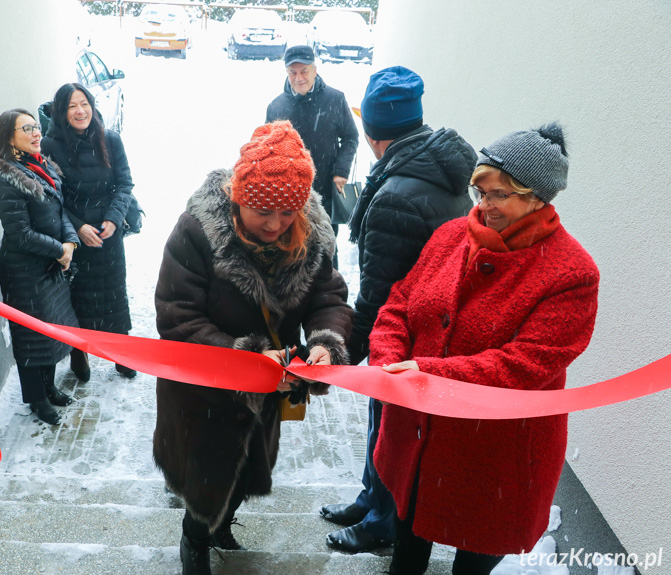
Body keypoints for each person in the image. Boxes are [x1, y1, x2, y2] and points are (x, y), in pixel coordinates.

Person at [369, 123, 599, 575]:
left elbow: (526, 364)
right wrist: (387, 359)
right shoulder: (451, 236)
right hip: (418, 435)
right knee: (407, 543)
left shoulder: (572, 271)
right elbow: (399, 303)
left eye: (499, 195)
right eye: (480, 192)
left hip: (495, 453)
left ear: (538, 197)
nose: (485, 206)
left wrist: (428, 375)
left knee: (473, 559)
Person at [153, 121, 353, 575]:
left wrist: (325, 343)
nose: (275, 224)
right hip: (203, 389)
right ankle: (195, 541)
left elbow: (329, 300)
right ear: (238, 196)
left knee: (242, 470)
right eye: (263, 211)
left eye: (287, 214)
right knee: (203, 477)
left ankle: (223, 521)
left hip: (265, 388)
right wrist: (243, 355)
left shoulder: (314, 239)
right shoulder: (197, 232)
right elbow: (176, 313)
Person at [320, 66, 476, 554]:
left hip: (405, 333)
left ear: (371, 133)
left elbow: (380, 293)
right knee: (388, 425)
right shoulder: (438, 169)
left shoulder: (396, 195)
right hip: (435, 324)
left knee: (391, 427)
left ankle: (383, 522)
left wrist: (343, 353)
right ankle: (373, 499)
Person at [0, 108, 80, 425]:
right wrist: (59, 251)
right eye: (28, 128)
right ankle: (36, 400)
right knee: (31, 340)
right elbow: (20, 234)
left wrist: (70, 243)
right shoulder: (4, 177)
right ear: (9, 137)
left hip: (50, 263)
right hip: (24, 271)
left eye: (36, 126)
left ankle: (48, 387)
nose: (37, 133)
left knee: (50, 333)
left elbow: (59, 210)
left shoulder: (38, 167)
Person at [40, 83, 136, 381]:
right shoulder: (49, 146)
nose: (80, 111)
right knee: (78, 296)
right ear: (60, 112)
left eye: (84, 104)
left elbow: (124, 184)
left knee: (114, 295)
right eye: (71, 106)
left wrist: (114, 218)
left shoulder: (111, 139)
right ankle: (78, 353)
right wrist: (77, 227)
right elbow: (52, 196)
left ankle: (121, 354)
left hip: (108, 234)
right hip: (73, 235)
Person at [265, 44, 358, 268]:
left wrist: (340, 172)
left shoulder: (335, 100)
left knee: (326, 250)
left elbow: (351, 137)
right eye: (292, 72)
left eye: (304, 71)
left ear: (315, 70)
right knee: (291, 251)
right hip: (290, 195)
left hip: (325, 188)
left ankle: (331, 294)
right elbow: (267, 149)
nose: (298, 78)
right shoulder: (276, 107)